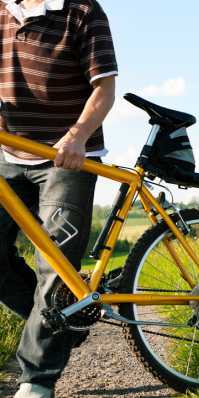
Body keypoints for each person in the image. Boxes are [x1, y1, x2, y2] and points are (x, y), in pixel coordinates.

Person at [0, 0, 117, 396]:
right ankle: (65, 321)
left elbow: (105, 88)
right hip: (9, 152)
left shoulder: (82, 11)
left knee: (55, 263)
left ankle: (36, 379)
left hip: (68, 157)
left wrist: (77, 136)